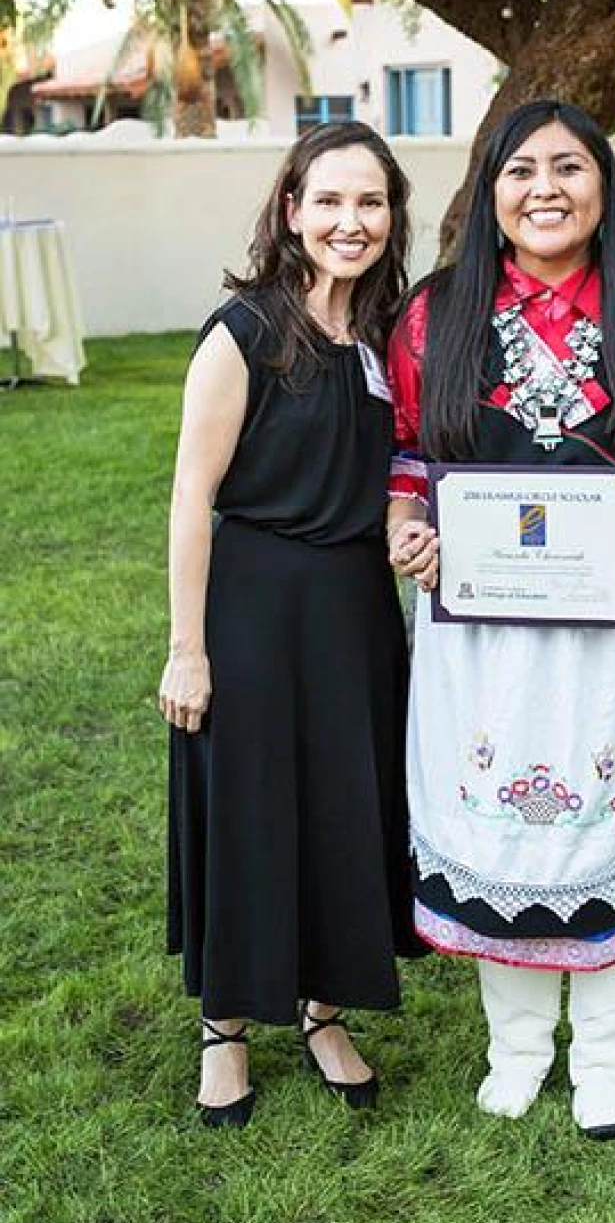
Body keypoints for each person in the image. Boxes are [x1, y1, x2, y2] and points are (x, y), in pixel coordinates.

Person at [386, 98, 615, 1139]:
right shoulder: (435, 312)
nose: (545, 189)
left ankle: (609, 1058)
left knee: (606, 820)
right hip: (480, 632)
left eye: (569, 168)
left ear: (603, 185)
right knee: (499, 820)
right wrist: (408, 520)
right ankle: (518, 1048)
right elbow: (407, 446)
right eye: (520, 171)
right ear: (489, 193)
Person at [160, 120, 420, 1127]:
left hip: (356, 608)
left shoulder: (394, 334)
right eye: (330, 201)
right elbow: (191, 495)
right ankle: (225, 1027)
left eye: (370, 202)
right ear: (292, 210)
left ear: (391, 215)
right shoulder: (246, 330)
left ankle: (321, 1008)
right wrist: (189, 648)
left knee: (345, 804)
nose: (350, 221)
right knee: (250, 805)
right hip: (256, 603)